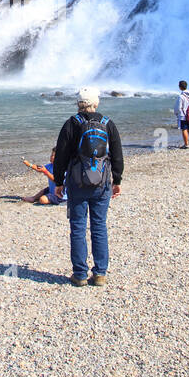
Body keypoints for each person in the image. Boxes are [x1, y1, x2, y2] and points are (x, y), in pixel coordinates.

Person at [53, 86, 123, 287]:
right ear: (96, 103)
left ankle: (80, 274)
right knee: (99, 226)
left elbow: (61, 156)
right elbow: (117, 154)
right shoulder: (107, 123)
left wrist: (58, 182)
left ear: (79, 104)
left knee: (77, 226)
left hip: (77, 182)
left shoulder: (71, 124)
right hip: (102, 182)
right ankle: (100, 273)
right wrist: (117, 180)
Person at [175, 81, 189, 149]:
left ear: (180, 87)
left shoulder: (181, 96)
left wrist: (176, 113)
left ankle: (186, 144)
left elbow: (178, 107)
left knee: (184, 129)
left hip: (183, 115)